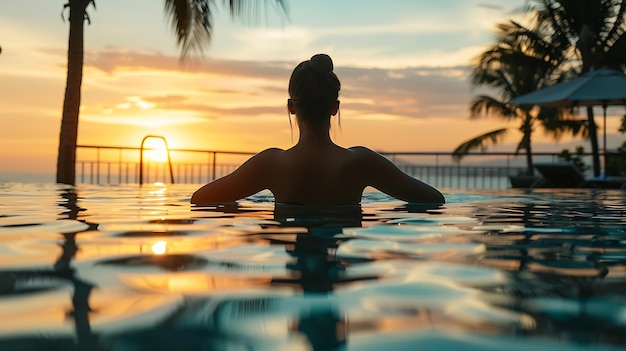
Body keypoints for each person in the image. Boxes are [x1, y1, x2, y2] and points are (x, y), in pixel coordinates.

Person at [191, 54, 444, 206]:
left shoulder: (271, 164)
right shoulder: (362, 162)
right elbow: (433, 199)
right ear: (335, 107)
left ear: (291, 107)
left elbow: (201, 199)